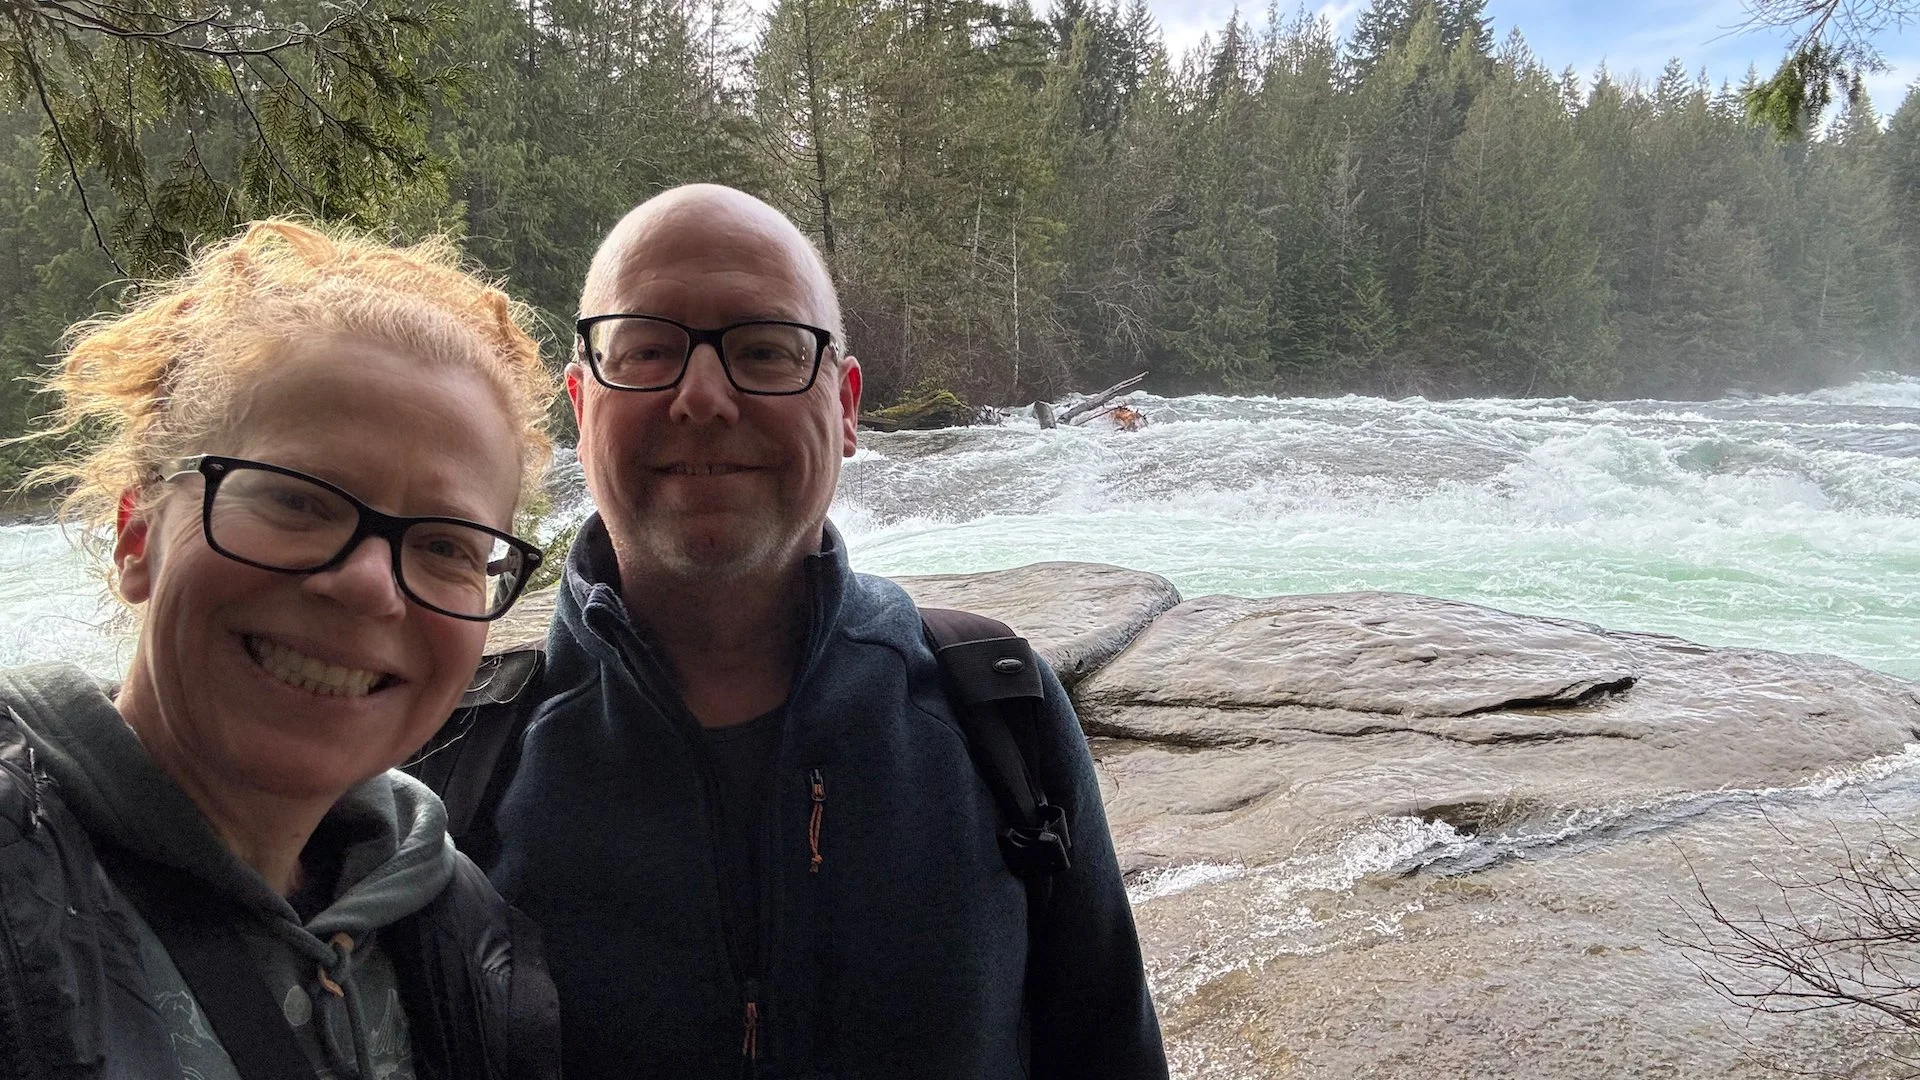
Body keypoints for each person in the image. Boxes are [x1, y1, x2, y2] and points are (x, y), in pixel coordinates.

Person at [448, 184, 1167, 1078]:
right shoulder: (456, 770)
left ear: (848, 406)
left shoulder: (1000, 717)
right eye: (647, 351)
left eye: (764, 350)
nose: (702, 397)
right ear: (582, 404)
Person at [0, 221, 561, 1079]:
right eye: (300, 501)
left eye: (446, 544)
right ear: (137, 535)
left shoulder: (459, 934)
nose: (373, 585)